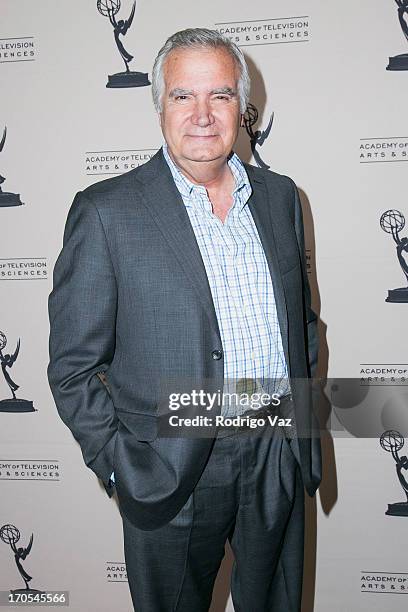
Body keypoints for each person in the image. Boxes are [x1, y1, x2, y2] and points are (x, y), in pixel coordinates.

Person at [47, 28, 321, 612]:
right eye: (182, 96)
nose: (202, 114)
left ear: (241, 107)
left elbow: (303, 323)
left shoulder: (279, 197)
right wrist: (123, 467)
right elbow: (73, 368)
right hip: (169, 465)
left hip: (275, 449)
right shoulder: (105, 211)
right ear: (159, 104)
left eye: (220, 95)